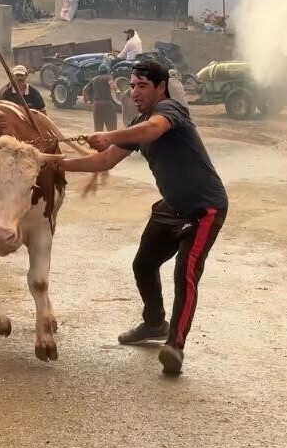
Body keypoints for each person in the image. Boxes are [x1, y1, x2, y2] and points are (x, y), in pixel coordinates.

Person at [58, 61, 228, 375]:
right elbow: (104, 162)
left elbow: (153, 129)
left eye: (142, 86)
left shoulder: (171, 110)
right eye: (132, 86)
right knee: (143, 264)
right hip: (171, 208)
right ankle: (154, 323)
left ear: (160, 87)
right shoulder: (138, 123)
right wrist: (54, 163)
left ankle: (174, 347)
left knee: (185, 274)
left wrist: (109, 135)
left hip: (205, 209)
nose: (134, 92)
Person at [82, 63, 118, 131]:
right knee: (112, 128)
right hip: (107, 104)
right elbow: (112, 86)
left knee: (98, 129)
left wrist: (86, 101)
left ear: (99, 71)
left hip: (96, 105)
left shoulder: (94, 79)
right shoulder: (108, 77)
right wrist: (117, 90)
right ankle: (112, 141)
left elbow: (84, 89)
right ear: (107, 71)